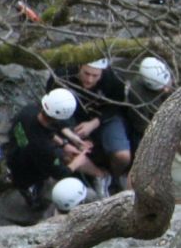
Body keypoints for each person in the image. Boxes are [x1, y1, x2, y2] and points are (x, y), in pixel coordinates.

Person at [3, 88, 105, 215]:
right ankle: (34, 202)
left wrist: (64, 144)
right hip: (28, 172)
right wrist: (78, 161)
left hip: (15, 152)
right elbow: (60, 173)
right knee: (30, 189)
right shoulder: (44, 148)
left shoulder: (29, 111)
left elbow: (44, 130)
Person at [48, 57, 130, 192]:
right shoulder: (62, 75)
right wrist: (72, 134)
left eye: (95, 75)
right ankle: (101, 176)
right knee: (67, 154)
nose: (90, 80)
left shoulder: (112, 79)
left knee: (122, 156)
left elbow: (116, 105)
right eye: (86, 73)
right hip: (71, 119)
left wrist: (95, 122)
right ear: (79, 66)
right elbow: (54, 106)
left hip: (103, 118)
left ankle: (115, 178)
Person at [124, 56, 172, 152]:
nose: (166, 89)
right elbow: (142, 126)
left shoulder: (168, 69)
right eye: (162, 87)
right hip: (149, 128)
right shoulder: (136, 94)